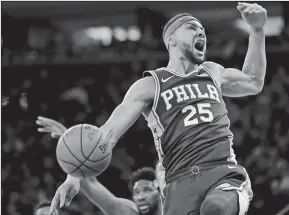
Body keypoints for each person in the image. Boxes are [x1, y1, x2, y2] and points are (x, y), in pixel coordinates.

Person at [45, 2, 267, 215]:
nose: (201, 33)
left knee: (215, 208)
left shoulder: (212, 72)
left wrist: (257, 30)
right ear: (171, 39)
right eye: (192, 28)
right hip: (179, 183)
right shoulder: (150, 85)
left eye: (202, 30)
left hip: (221, 171)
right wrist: (74, 177)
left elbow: (253, 81)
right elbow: (107, 134)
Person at [36, 117, 165, 215]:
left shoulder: (176, 205)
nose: (141, 197)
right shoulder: (130, 212)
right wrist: (68, 141)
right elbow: (91, 184)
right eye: (136, 193)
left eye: (147, 190)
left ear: (160, 191)